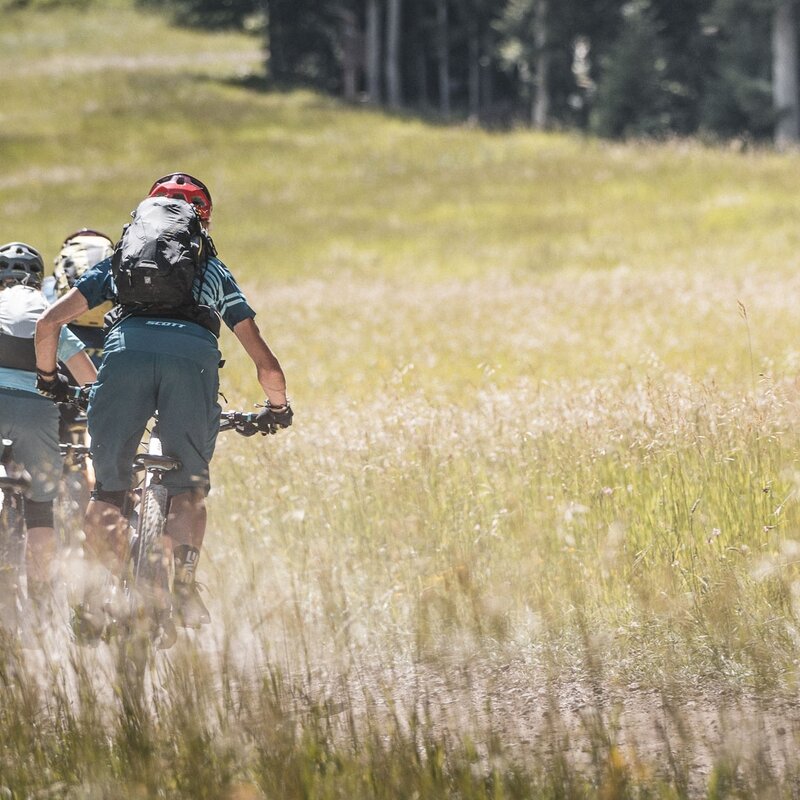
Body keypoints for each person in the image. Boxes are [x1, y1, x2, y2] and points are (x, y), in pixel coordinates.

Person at [35, 173, 293, 630]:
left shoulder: (120, 263)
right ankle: (184, 587)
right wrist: (277, 409)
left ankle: (97, 598)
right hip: (191, 364)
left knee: (109, 490)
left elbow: (49, 324)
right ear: (203, 222)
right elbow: (265, 362)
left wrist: (50, 380)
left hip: (124, 357)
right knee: (188, 488)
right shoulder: (213, 271)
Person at [0, 242, 97, 634]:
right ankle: (40, 606)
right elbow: (89, 377)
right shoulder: (47, 311)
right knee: (41, 507)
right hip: (35, 413)